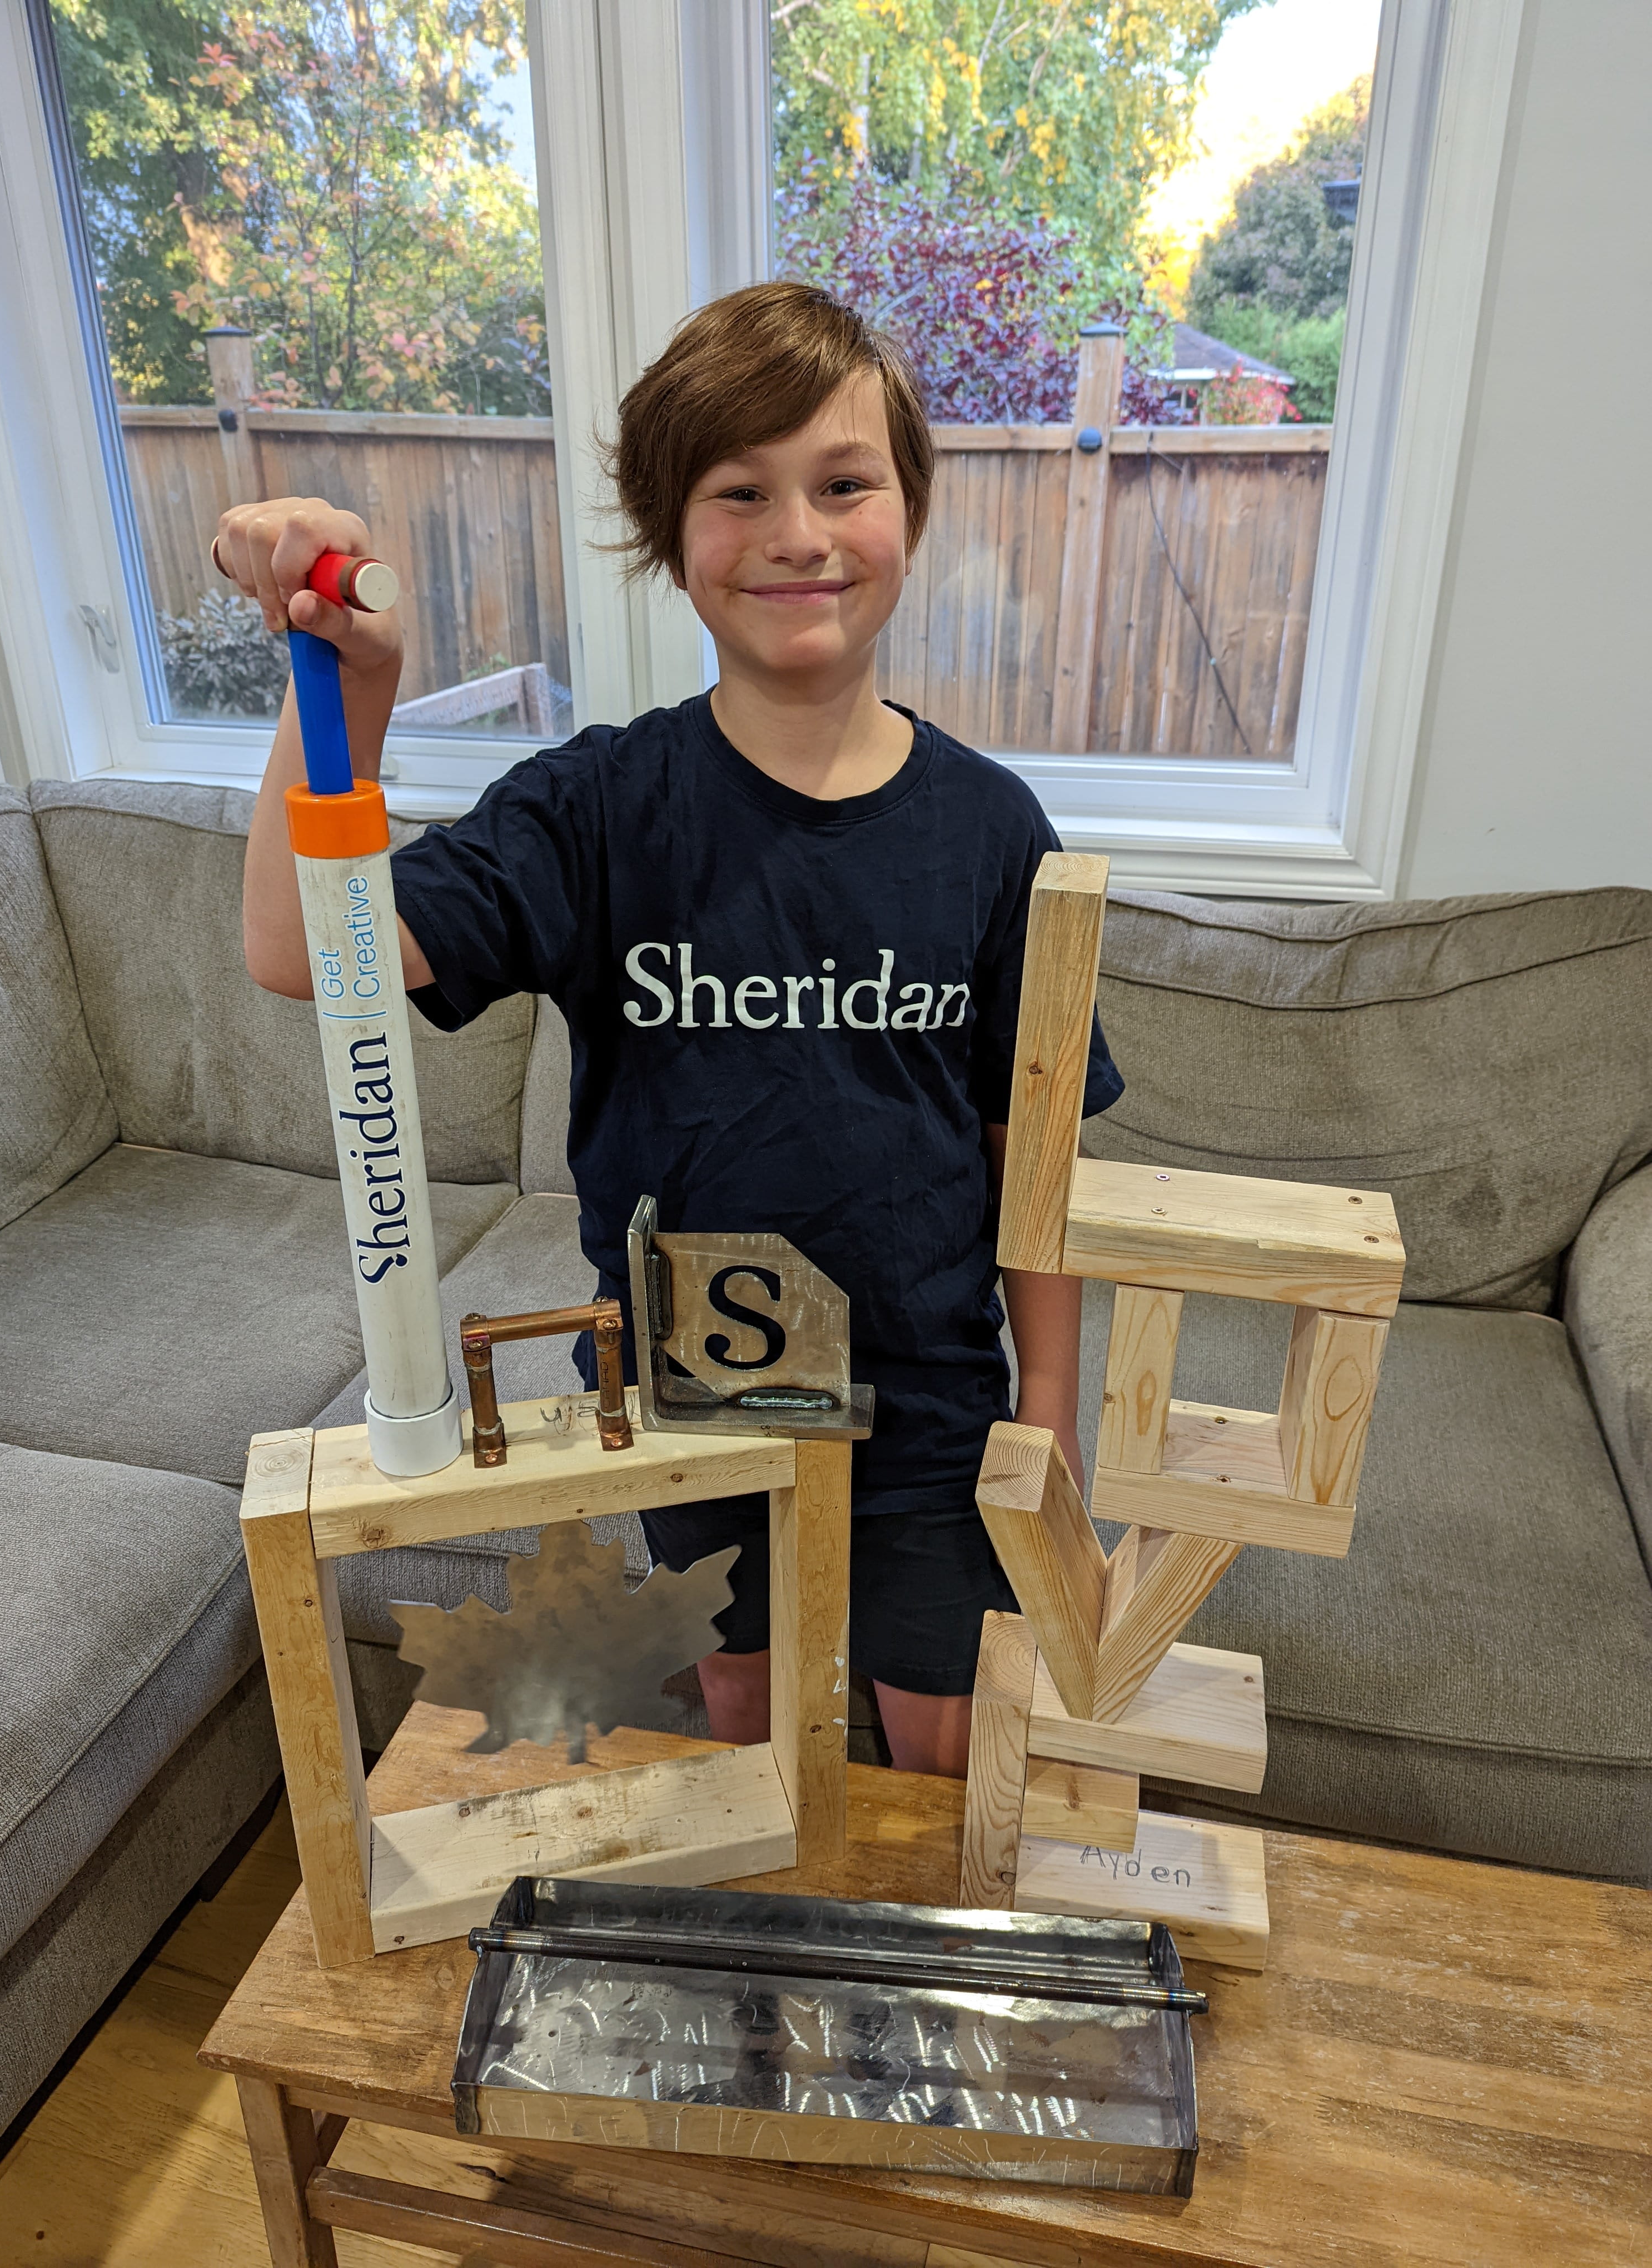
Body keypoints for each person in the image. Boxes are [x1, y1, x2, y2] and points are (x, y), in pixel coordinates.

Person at [230, 281, 1121, 1778]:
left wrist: (1048, 1405)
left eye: (844, 484)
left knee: (946, 1741)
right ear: (671, 532)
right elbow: (299, 955)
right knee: (745, 1720)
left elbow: (1024, 1144)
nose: (797, 533)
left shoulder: (991, 829)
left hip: (928, 1398)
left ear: (911, 504)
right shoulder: (594, 809)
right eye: (739, 493)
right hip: (689, 1384)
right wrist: (348, 693)